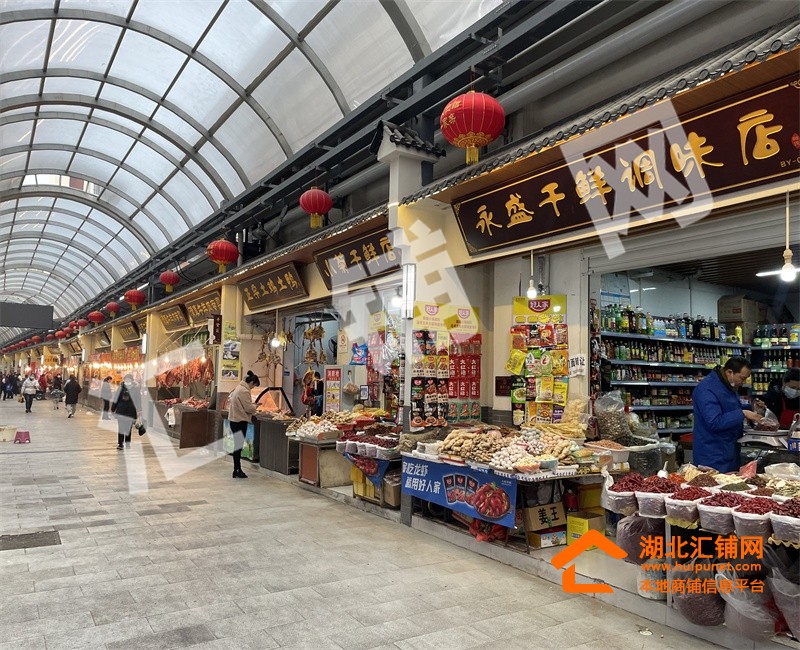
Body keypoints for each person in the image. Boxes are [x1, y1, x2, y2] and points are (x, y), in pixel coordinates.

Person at [692, 356, 763, 472]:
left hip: (730, 451)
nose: (743, 383)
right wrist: (743, 413)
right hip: (712, 455)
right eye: (742, 378)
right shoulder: (706, 389)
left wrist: (752, 407)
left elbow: (730, 408)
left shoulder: (727, 385)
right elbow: (715, 422)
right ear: (729, 372)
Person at [227, 370, 260, 479]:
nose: (253, 388)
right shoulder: (244, 391)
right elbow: (249, 408)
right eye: (254, 386)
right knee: (238, 447)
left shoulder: (239, 387)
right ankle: (237, 470)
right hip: (239, 422)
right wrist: (256, 406)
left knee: (237, 446)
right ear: (252, 383)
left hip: (234, 421)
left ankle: (237, 469)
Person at [111, 374, 139, 450]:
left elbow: (138, 400)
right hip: (121, 411)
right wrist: (113, 408)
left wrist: (139, 410)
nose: (127, 381)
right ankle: (120, 444)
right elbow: (116, 398)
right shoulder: (120, 388)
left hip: (131, 411)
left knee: (128, 428)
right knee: (121, 428)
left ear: (132, 380)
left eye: (129, 380)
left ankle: (127, 442)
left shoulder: (135, 389)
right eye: (126, 379)